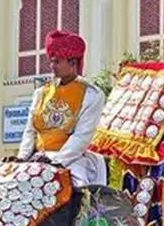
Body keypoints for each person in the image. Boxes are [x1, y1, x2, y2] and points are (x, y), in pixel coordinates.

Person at [16, 30, 106, 187]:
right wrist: (21, 159)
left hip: (72, 160)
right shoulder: (41, 92)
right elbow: (30, 131)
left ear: (73, 63)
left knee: (76, 189)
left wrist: (54, 162)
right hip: (37, 159)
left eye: (57, 62)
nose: (52, 66)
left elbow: (81, 137)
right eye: (51, 62)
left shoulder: (92, 95)